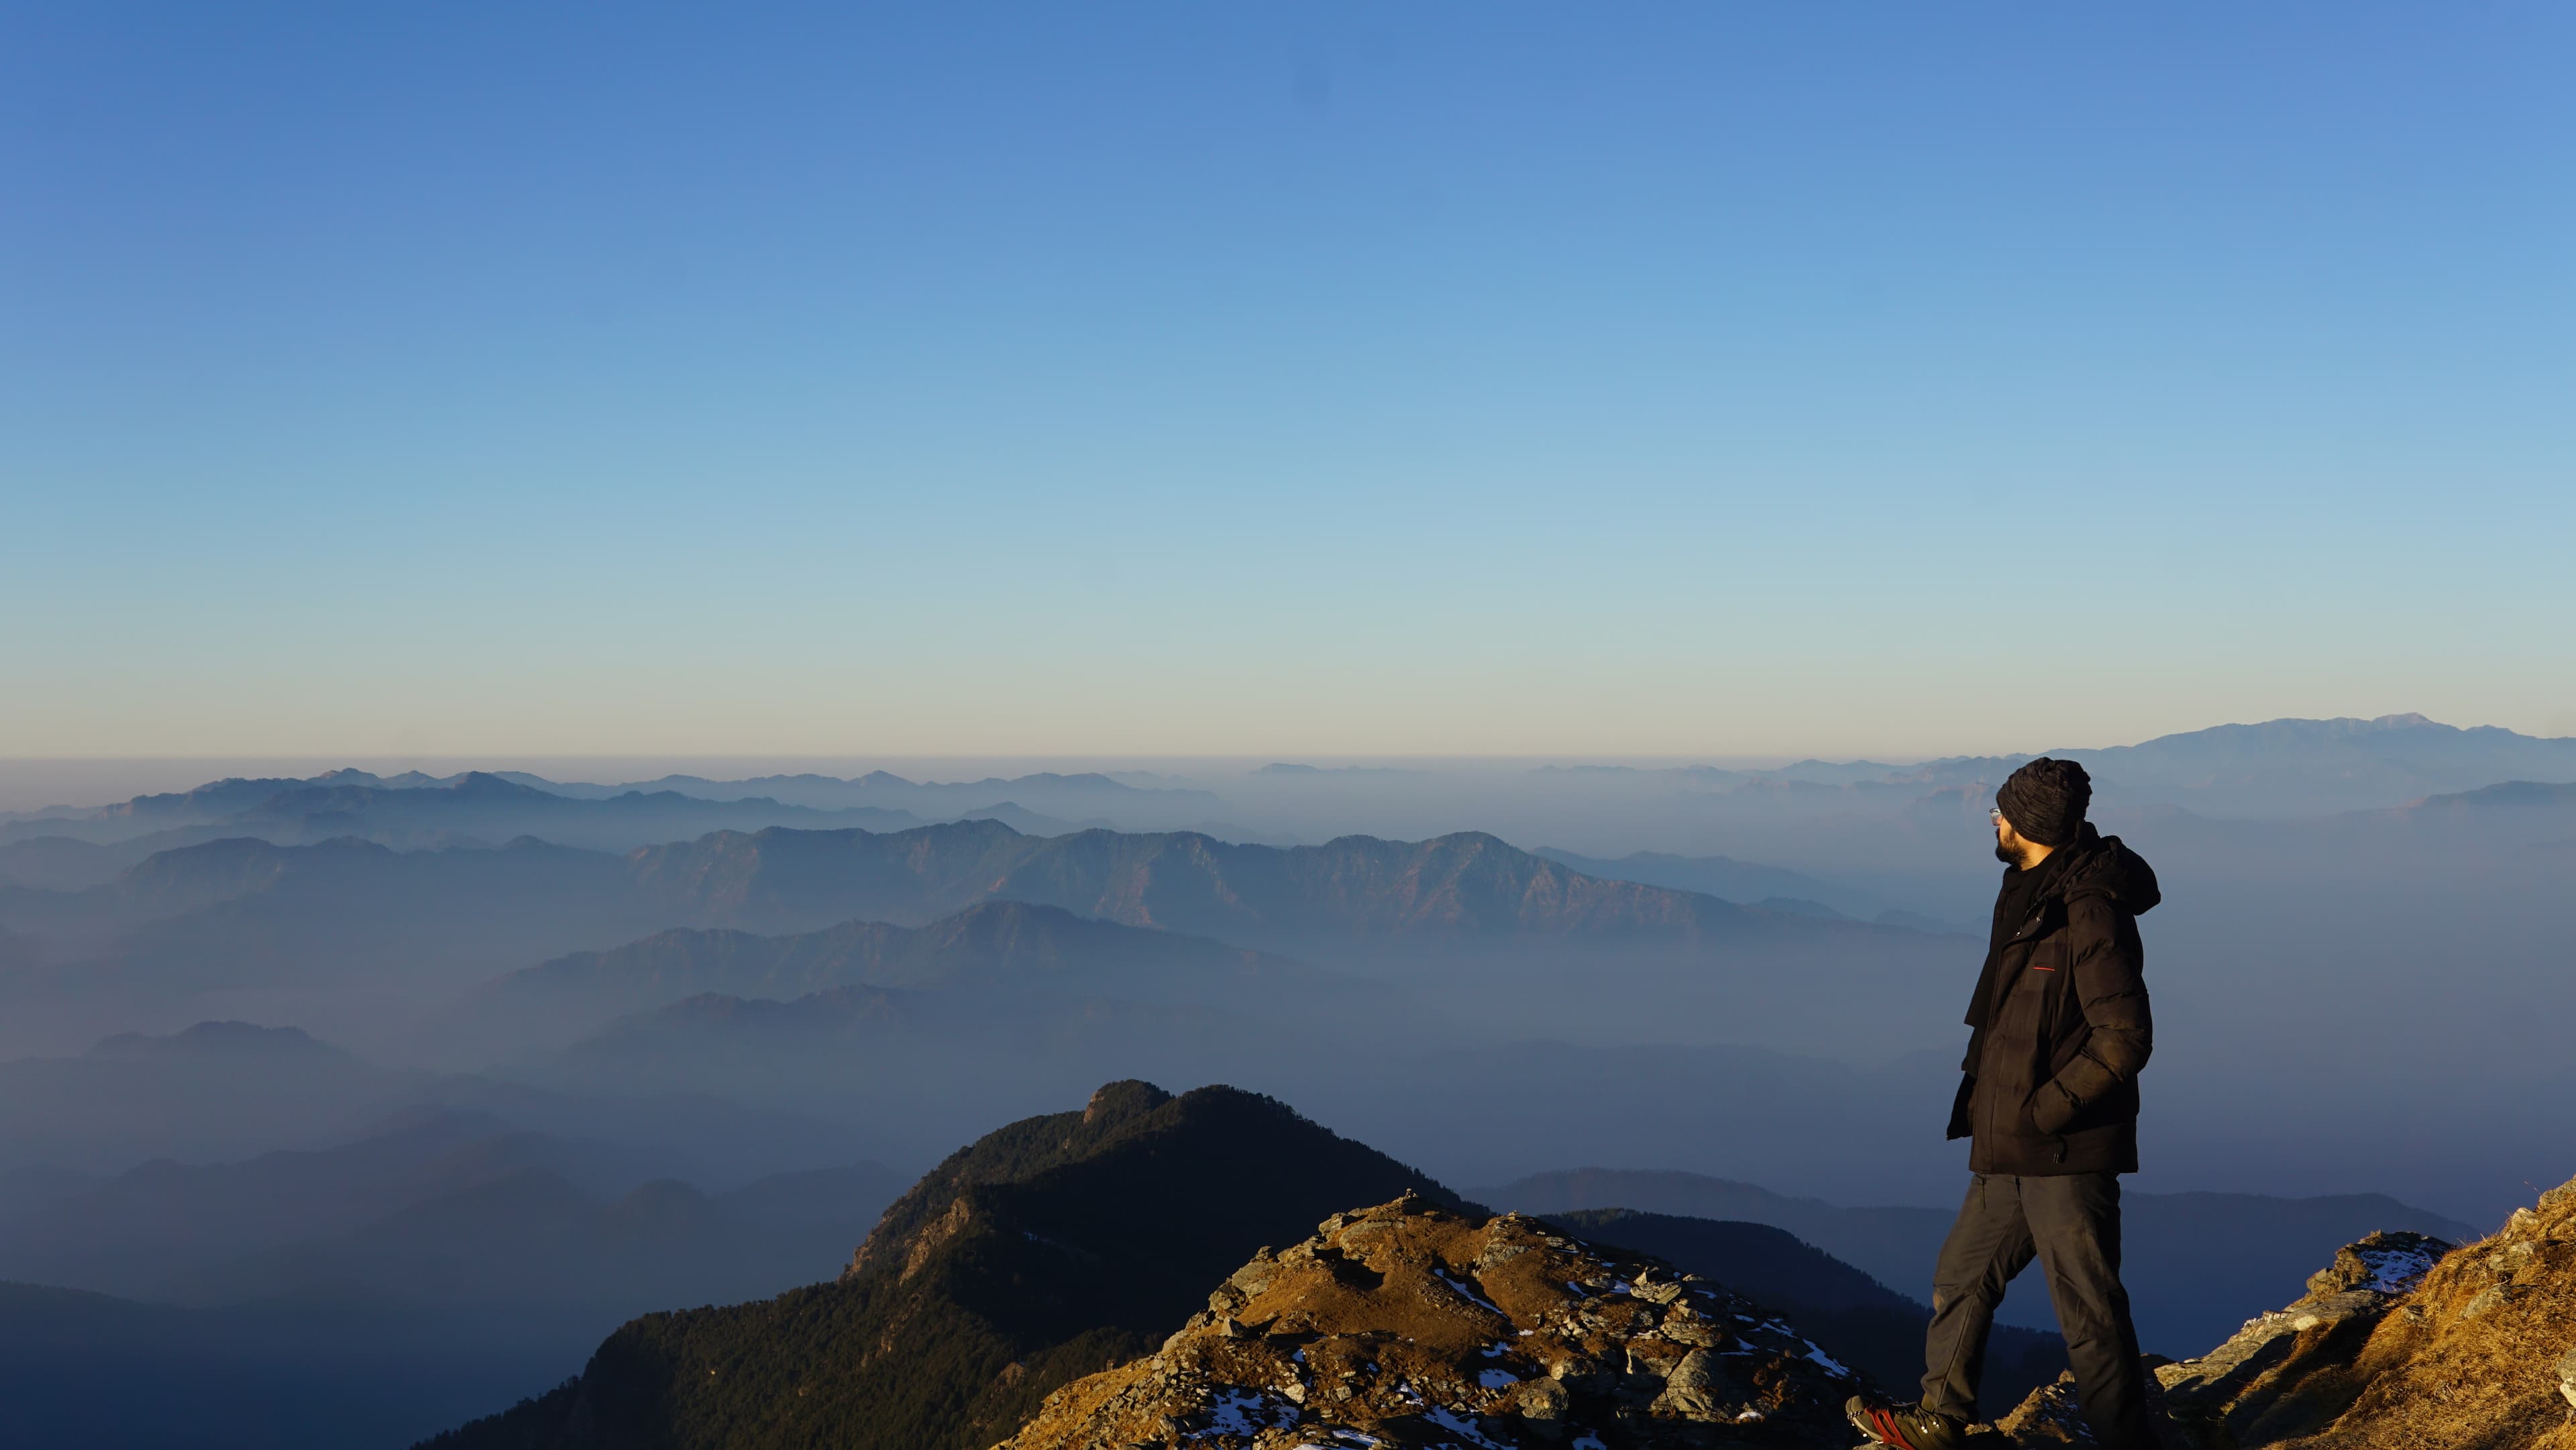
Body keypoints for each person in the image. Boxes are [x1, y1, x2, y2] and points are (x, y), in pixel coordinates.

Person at [1849, 757, 2161, 1449]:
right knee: (1961, 1278)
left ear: (2030, 825)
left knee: (2090, 1317)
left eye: (2002, 812)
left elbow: (2124, 1038)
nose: (1994, 820)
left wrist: (2046, 1111)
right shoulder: (2030, 892)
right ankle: (1940, 1419)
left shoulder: (2088, 911)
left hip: (2063, 1151)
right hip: (2011, 1147)